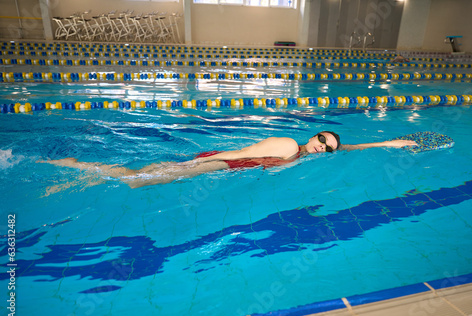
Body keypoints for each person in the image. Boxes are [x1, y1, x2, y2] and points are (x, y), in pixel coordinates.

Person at [43, 132, 417, 188]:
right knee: (139, 179)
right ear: (312, 136)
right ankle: (73, 165)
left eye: (329, 148)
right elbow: (239, 154)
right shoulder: (289, 145)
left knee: (140, 177)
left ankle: (85, 172)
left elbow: (350, 148)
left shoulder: (304, 152)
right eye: (322, 139)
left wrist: (391, 143)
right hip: (221, 163)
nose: (324, 146)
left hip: (227, 167)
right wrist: (194, 164)